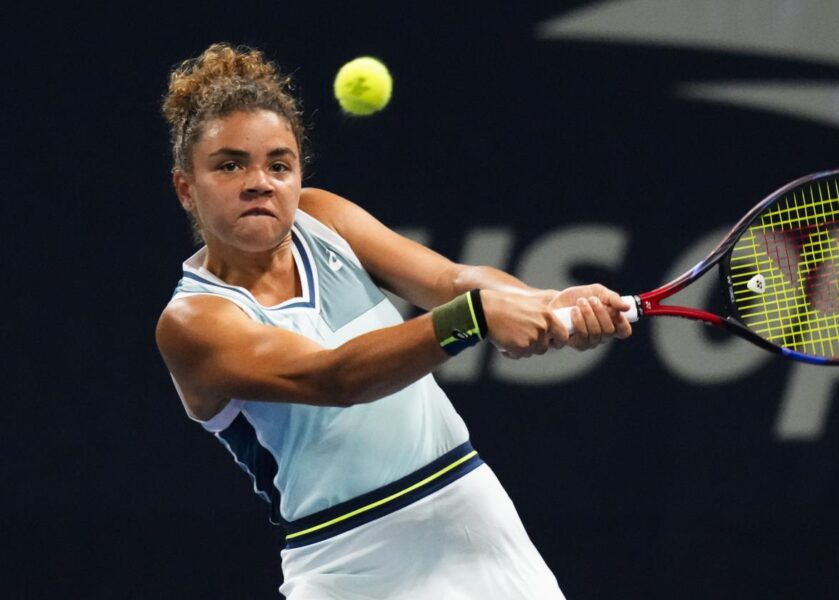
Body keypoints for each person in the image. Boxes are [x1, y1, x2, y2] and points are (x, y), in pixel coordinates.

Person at [155, 43, 632, 600]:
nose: (260, 181)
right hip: (348, 566)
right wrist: (475, 316)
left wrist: (545, 300)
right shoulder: (192, 321)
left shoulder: (321, 216)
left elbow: (451, 280)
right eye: (230, 165)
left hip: (474, 523)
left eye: (279, 165)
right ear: (186, 187)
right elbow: (334, 378)